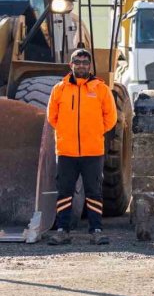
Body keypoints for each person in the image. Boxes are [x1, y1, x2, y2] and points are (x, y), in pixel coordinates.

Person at [46, 49, 117, 245]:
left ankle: (96, 231)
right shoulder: (59, 89)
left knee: (94, 192)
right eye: (77, 62)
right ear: (71, 65)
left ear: (90, 66)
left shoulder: (101, 89)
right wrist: (66, 133)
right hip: (66, 151)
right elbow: (52, 117)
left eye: (85, 62)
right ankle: (62, 231)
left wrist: (94, 132)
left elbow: (111, 118)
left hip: (93, 151)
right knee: (64, 192)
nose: (81, 65)